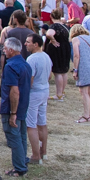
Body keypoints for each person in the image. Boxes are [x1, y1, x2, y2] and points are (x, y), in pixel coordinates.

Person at [0, 37, 31, 177]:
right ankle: (22, 162)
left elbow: (14, 91)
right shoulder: (26, 65)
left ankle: (19, 168)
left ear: (11, 50)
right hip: (23, 106)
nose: (3, 51)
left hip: (12, 108)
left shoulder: (10, 66)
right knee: (22, 135)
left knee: (14, 136)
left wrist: (13, 113)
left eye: (5, 49)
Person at [24, 33, 51, 165]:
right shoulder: (46, 56)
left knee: (31, 124)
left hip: (34, 93)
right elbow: (50, 76)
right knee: (42, 122)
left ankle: (35, 155)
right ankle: (43, 152)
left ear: (35, 44)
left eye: (28, 42)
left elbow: (30, 79)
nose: (25, 44)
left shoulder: (32, 59)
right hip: (44, 90)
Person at [69, 23, 90, 123]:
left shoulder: (76, 39)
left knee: (84, 92)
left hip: (84, 67)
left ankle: (86, 115)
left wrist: (75, 70)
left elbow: (76, 55)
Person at [44, 9, 72, 101]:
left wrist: (52, 40)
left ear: (51, 17)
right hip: (65, 49)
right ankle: (62, 92)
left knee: (58, 72)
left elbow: (49, 34)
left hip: (57, 50)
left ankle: (59, 94)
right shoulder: (65, 26)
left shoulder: (54, 26)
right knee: (63, 72)